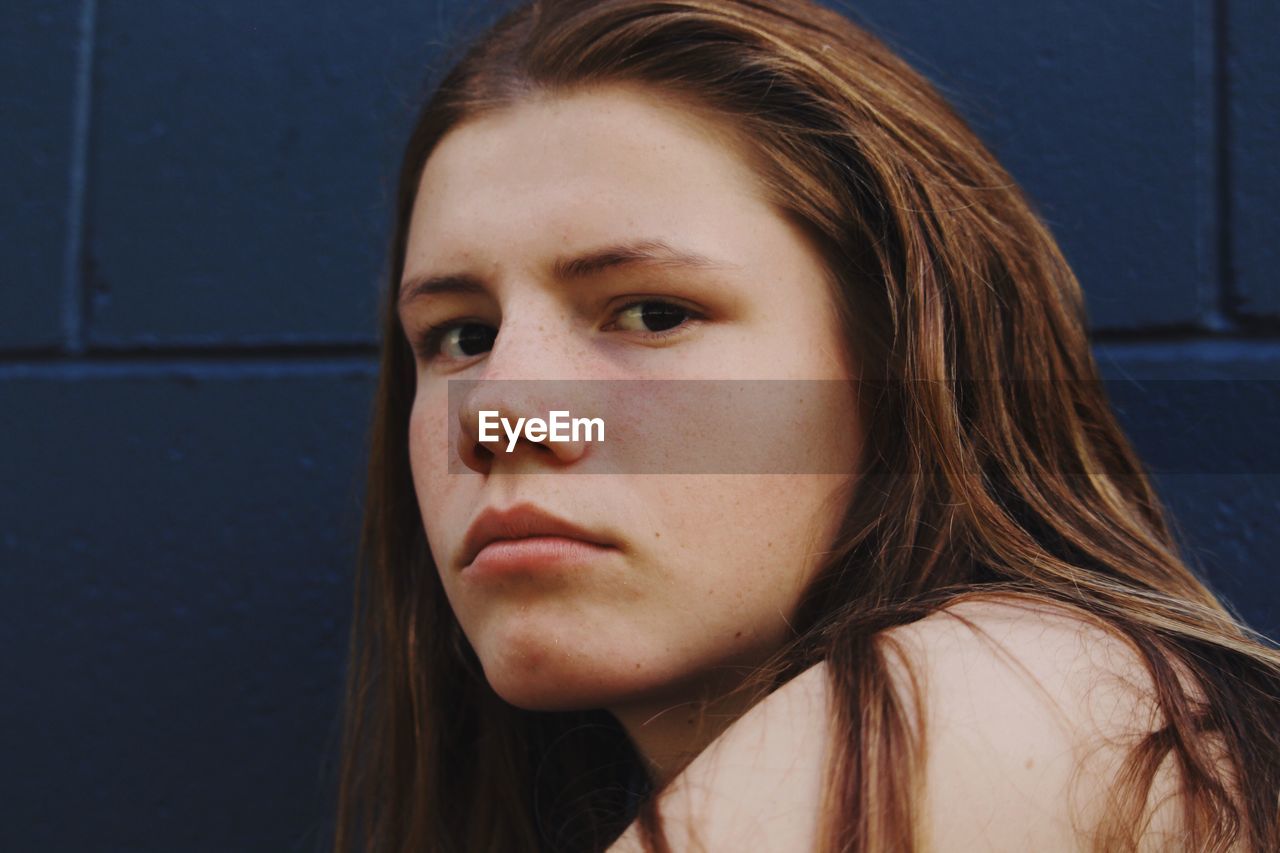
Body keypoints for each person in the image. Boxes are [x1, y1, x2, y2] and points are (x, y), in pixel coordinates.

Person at [333, 1, 1280, 850]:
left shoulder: (1024, 694)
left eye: (654, 313)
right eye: (462, 335)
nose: (499, 418)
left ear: (902, 367)